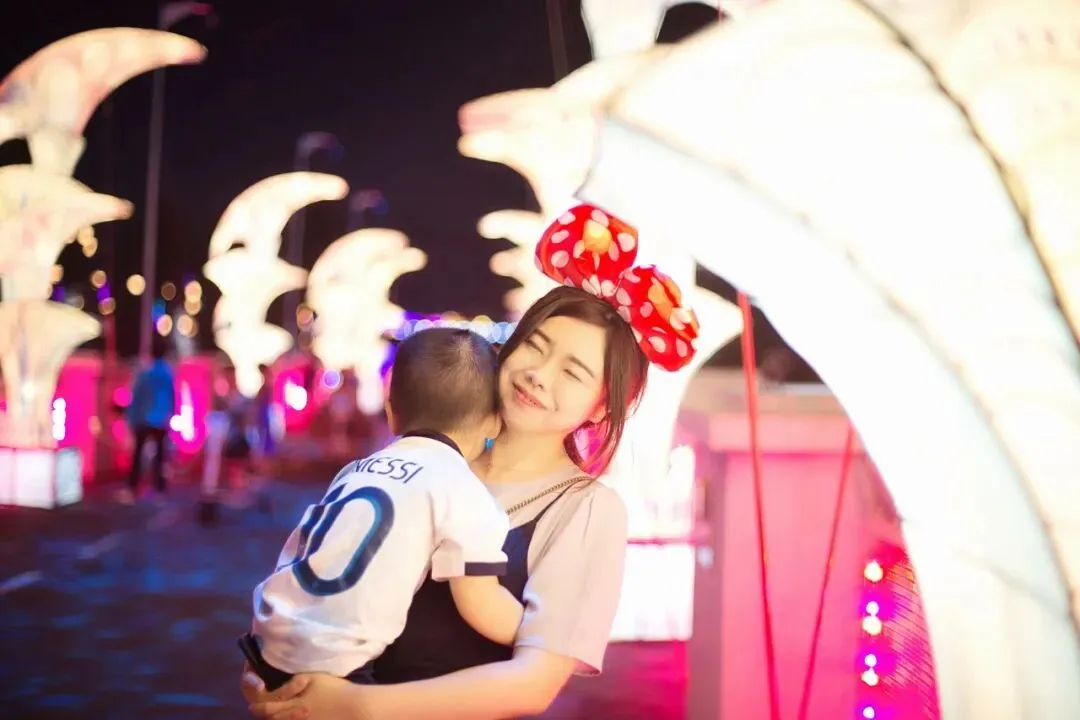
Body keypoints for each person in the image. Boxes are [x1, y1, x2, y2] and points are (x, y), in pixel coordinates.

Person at [243, 203, 700, 719]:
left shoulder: (586, 510)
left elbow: (532, 683)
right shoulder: (428, 457)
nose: (539, 374)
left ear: (601, 407)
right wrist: (278, 670)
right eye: (536, 346)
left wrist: (356, 706)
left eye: (573, 372)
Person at [242, 327, 521, 691]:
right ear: (494, 422)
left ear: (391, 413)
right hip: (336, 662)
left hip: (268, 639)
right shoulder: (464, 490)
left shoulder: (356, 470)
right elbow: (481, 604)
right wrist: (543, 636)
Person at [119, 337, 176, 504]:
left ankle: (133, 487)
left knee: (138, 454)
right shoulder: (167, 372)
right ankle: (159, 488)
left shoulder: (146, 372)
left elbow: (136, 396)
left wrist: (131, 418)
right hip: (161, 419)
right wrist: (171, 414)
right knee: (160, 455)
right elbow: (172, 396)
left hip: (144, 418)